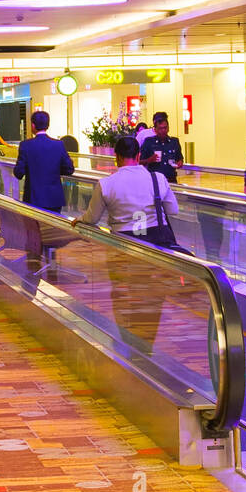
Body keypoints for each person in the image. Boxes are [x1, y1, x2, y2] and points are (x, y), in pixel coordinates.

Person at [78, 135, 179, 347]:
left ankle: (128, 340)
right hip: (154, 247)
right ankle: (147, 341)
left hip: (121, 248)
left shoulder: (106, 184)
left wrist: (80, 220)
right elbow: (173, 210)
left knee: (123, 294)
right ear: (139, 155)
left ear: (116, 157)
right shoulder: (158, 179)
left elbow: (92, 218)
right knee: (153, 295)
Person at [14, 111, 75, 260]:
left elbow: (19, 173)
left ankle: (34, 261)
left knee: (34, 233)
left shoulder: (26, 146)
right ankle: (51, 263)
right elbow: (69, 169)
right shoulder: (58, 145)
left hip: (33, 198)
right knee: (52, 233)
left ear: (33, 126)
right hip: (54, 198)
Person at [140, 111, 183, 183]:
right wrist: (149, 160)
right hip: (154, 182)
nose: (163, 130)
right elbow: (139, 162)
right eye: (160, 128)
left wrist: (179, 162)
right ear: (155, 130)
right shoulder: (149, 142)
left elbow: (179, 158)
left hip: (171, 180)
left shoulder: (174, 142)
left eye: (165, 128)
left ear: (168, 128)